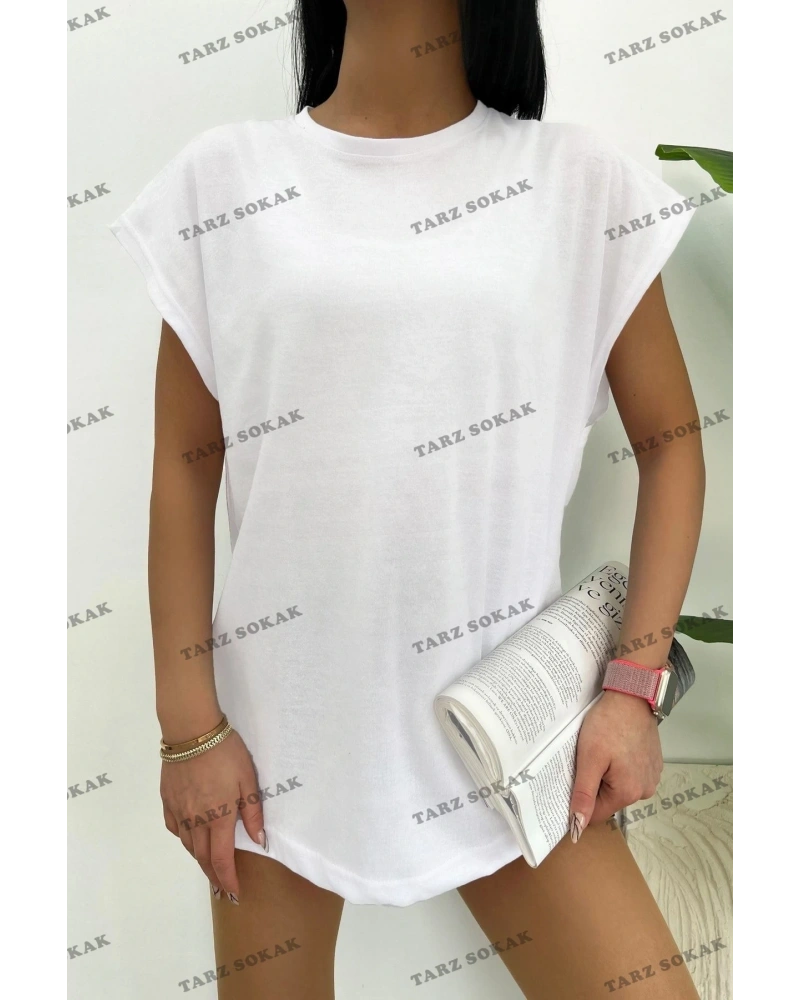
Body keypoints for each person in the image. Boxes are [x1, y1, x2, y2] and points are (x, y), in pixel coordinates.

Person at [109, 1, 705, 996]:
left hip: (509, 736)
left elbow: (672, 445)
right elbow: (182, 464)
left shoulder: (577, 181)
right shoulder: (224, 180)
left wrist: (632, 689)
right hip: (272, 748)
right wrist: (189, 728)